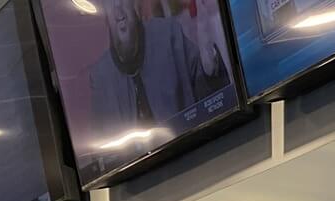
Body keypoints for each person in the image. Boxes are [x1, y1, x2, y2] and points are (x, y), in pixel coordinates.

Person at [87, 0, 229, 166]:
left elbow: (214, 107)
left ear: (134, 5)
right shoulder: (100, 77)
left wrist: (210, 68)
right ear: (104, 13)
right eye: (110, 3)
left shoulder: (169, 34)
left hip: (193, 160)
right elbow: (102, 158)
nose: (119, 12)